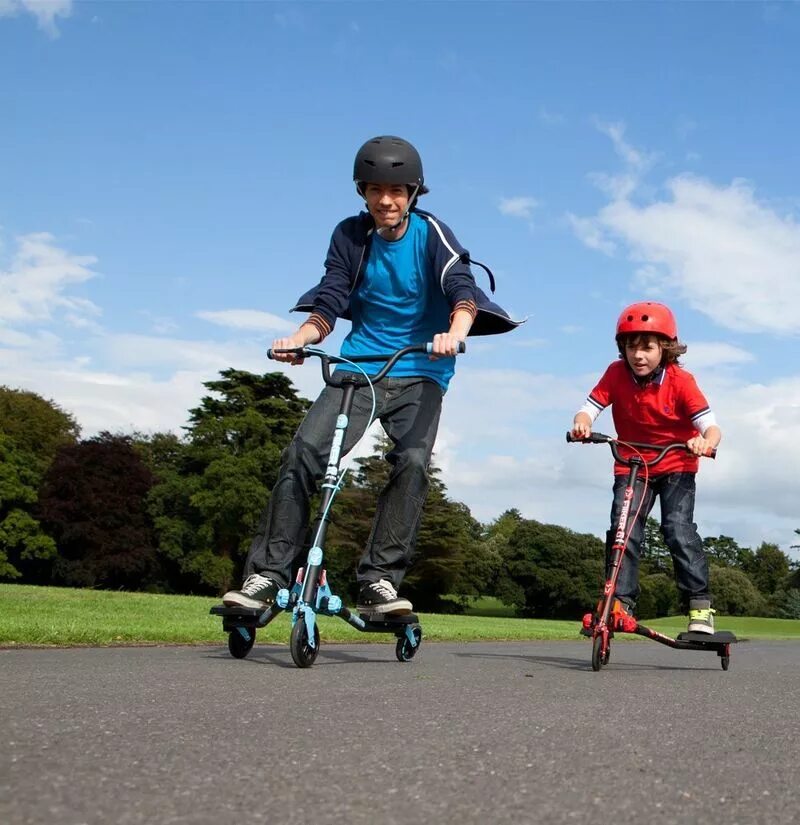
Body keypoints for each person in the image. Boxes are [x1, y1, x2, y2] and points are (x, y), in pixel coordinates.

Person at [223, 135, 521, 615]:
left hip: (422, 369)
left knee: (413, 465)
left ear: (414, 193)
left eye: (398, 190)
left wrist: (455, 331)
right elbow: (332, 295)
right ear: (362, 191)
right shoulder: (349, 235)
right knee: (304, 453)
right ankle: (266, 575)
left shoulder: (431, 233)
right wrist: (302, 338)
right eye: (376, 189)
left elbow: (459, 285)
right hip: (359, 367)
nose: (386, 199)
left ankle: (380, 579)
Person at [570, 301, 722, 633]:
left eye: (647, 348)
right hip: (632, 462)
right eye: (630, 347)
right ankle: (618, 602)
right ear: (622, 348)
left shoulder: (682, 381)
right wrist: (582, 423)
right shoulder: (615, 373)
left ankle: (699, 607)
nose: (638, 355)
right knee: (623, 530)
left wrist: (704, 442)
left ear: (665, 349)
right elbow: (589, 408)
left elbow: (711, 427)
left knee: (677, 530)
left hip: (676, 463)